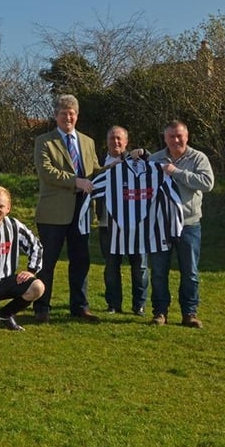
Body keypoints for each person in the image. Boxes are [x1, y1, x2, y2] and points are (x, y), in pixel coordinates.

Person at [33, 94, 103, 324]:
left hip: (82, 213)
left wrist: (122, 164)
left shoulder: (88, 141)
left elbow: (96, 171)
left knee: (81, 260)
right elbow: (46, 172)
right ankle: (42, 306)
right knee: (48, 261)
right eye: (63, 113)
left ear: (77, 115)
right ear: (56, 116)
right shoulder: (44, 141)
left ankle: (80, 306)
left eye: (72, 113)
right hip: (53, 213)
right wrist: (76, 181)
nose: (68, 117)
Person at [148, 120, 214, 327]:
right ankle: (160, 313)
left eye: (179, 136)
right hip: (161, 224)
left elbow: (207, 183)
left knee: (190, 271)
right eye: (171, 137)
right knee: (158, 271)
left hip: (189, 223)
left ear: (187, 136)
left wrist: (175, 172)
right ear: (165, 138)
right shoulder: (155, 158)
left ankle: (190, 313)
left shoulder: (198, 158)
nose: (175, 140)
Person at [0, 187, 45, 331]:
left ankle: (5, 314)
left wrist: (31, 270)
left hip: (7, 282)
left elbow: (36, 246)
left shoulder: (14, 226)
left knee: (37, 287)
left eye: (1, 206)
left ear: (8, 208)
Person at [97, 126, 149, 316]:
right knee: (111, 266)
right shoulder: (98, 161)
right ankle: (113, 304)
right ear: (107, 141)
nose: (115, 142)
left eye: (119, 139)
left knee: (139, 266)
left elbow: (154, 162)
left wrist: (144, 153)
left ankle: (139, 305)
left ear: (126, 142)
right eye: (112, 138)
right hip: (106, 223)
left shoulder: (135, 160)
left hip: (135, 223)